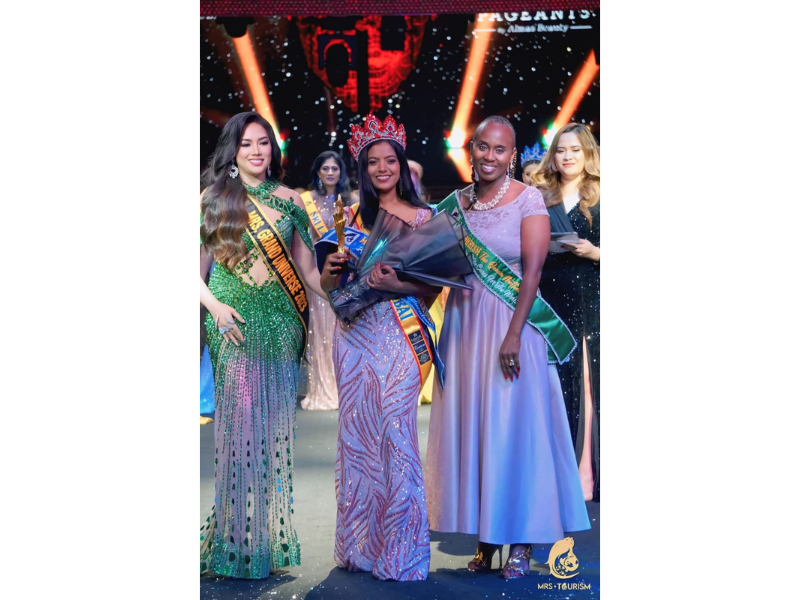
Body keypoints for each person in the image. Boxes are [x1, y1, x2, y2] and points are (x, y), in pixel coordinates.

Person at [426, 116, 590, 579]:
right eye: (483, 147)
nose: (489, 156)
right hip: (464, 327)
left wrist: (514, 334)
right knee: (478, 428)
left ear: (512, 155)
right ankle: (487, 538)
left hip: (510, 327)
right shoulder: (456, 204)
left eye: (500, 150)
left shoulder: (528, 198)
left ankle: (521, 540)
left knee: (513, 431)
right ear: (472, 149)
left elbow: (533, 272)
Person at [199, 111, 325, 579]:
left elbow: (308, 273)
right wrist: (215, 307)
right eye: (247, 143)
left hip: (281, 323)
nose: (256, 151)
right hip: (232, 323)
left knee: (270, 437)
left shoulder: (291, 200)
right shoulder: (212, 198)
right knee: (239, 435)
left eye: (263, 143)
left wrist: (343, 289)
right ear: (233, 151)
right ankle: (234, 541)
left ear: (273, 149)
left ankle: (262, 541)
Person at [320, 114, 438, 581]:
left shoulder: (425, 218)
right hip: (354, 336)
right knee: (358, 440)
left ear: (402, 165)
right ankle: (361, 548)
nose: (383, 168)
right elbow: (329, 287)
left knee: (396, 435)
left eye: (390, 160)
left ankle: (402, 551)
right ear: (363, 169)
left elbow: (433, 287)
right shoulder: (348, 218)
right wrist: (332, 269)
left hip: (400, 334)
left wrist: (396, 283)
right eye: (373, 162)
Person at [534, 123, 601, 502]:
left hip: (591, 299)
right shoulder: (540, 196)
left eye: (575, 149)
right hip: (549, 302)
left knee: (587, 384)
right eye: (561, 150)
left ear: (587, 152)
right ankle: (554, 475)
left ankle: (585, 476)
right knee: (554, 384)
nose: (568, 156)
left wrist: (595, 252)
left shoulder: (602, 194)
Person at [298, 151, 354, 411]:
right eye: (326, 168)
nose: (330, 173)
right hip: (318, 274)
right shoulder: (306, 200)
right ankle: (323, 388)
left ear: (341, 172)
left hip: (346, 273)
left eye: (335, 168)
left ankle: (347, 388)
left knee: (345, 329)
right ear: (318, 172)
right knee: (321, 332)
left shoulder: (351, 200)